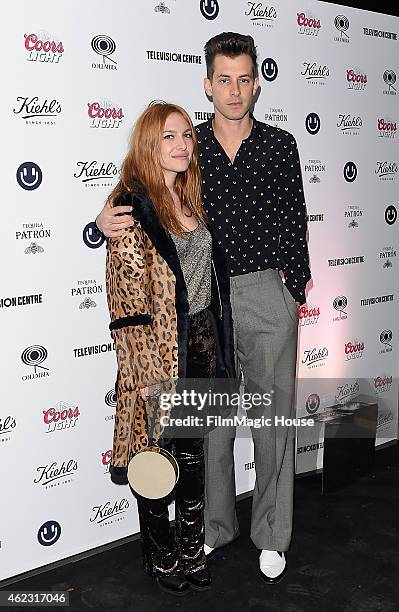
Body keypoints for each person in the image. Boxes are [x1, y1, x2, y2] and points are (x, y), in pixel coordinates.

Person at [98, 33, 311, 584]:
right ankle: (212, 528)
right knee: (210, 429)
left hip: (267, 295)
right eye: (224, 79)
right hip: (204, 306)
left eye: (244, 79)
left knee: (272, 424)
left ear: (256, 82)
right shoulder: (189, 147)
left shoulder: (281, 145)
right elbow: (144, 185)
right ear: (207, 83)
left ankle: (272, 534)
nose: (234, 90)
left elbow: (296, 221)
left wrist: (295, 289)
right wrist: (105, 216)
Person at [105, 101, 236, 596]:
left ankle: (190, 549)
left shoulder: (192, 198)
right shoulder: (129, 209)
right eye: (168, 137)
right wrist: (144, 376)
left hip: (203, 350)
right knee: (158, 459)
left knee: (195, 459)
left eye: (186, 135)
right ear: (148, 145)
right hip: (159, 356)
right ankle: (161, 554)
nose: (182, 144)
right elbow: (127, 308)